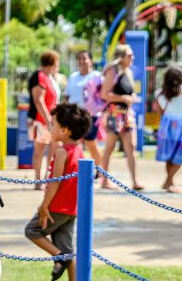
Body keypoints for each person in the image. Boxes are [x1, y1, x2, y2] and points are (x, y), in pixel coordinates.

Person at [24, 103, 90, 281]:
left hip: (56, 208)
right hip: (71, 210)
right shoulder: (79, 150)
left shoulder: (62, 151)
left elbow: (54, 182)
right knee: (68, 250)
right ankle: (66, 262)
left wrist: (44, 206)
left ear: (64, 131)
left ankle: (60, 258)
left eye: (53, 124)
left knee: (32, 231)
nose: (49, 127)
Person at [99, 44, 143, 190]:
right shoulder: (112, 71)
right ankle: (104, 180)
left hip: (127, 114)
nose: (132, 58)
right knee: (110, 147)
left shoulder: (127, 72)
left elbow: (127, 91)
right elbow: (105, 95)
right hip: (114, 113)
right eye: (129, 55)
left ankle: (135, 181)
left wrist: (131, 97)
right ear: (121, 57)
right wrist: (123, 98)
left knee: (131, 146)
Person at [63, 51, 102, 166]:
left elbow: (102, 96)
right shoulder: (73, 77)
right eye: (79, 59)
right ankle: (74, 169)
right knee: (73, 143)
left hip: (91, 116)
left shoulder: (96, 76)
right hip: (74, 116)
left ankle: (100, 171)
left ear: (91, 61)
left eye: (84, 58)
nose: (82, 61)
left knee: (91, 144)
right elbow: (67, 96)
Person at [28, 51, 60, 188]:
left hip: (49, 120)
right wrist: (48, 121)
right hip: (40, 121)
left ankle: (47, 178)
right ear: (52, 62)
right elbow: (38, 100)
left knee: (54, 148)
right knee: (39, 151)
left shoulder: (49, 77)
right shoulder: (40, 76)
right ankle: (38, 180)